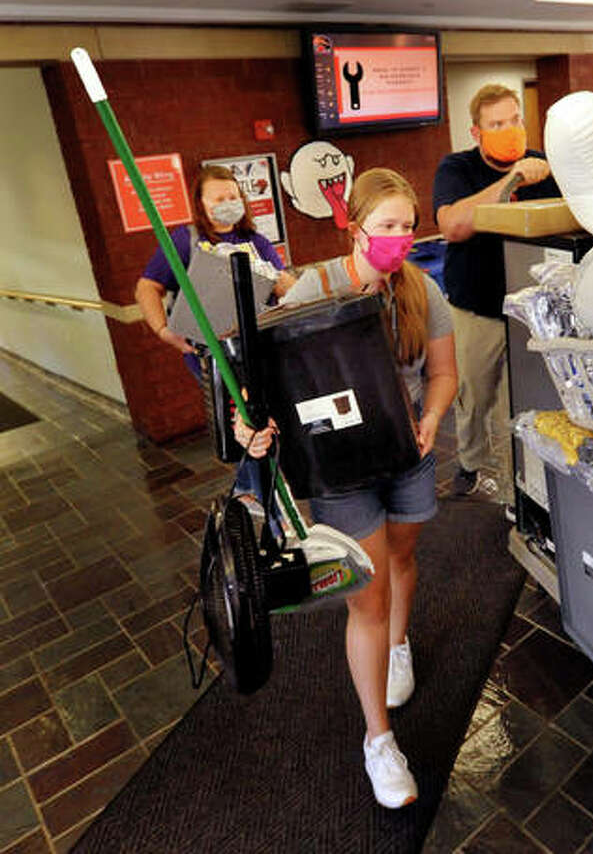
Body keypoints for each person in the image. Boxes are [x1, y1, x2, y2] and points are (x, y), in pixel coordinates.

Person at [240, 168, 457, 809]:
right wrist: (250, 421)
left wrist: (433, 417)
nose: (397, 237)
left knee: (402, 558)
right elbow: (263, 379)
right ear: (354, 225)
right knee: (366, 593)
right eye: (384, 225)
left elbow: (443, 374)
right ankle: (379, 740)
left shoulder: (423, 292)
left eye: (406, 226)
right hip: (338, 471)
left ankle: (399, 645)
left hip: (408, 457)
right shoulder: (315, 288)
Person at [135, 163, 297, 504]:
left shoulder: (256, 240)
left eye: (234, 196)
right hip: (214, 356)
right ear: (201, 203)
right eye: (219, 198)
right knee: (240, 420)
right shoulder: (185, 240)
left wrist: (288, 285)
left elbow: (284, 287)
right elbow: (147, 287)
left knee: (260, 421)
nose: (228, 203)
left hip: (257, 349)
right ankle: (255, 491)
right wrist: (164, 332)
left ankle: (257, 488)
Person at [433, 83, 560, 496]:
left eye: (515, 119)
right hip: (476, 309)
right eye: (497, 124)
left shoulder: (544, 164)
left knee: (520, 402)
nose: (510, 129)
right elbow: (452, 225)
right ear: (477, 132)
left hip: (528, 311)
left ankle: (516, 489)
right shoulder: (456, 168)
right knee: (473, 397)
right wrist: (511, 178)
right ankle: (470, 462)